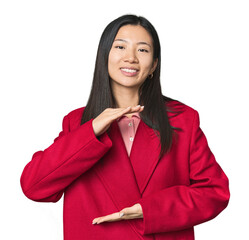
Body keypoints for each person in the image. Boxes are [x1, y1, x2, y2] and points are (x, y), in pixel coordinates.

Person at [20, 14, 230, 240]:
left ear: (154, 65)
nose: (130, 58)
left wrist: (149, 210)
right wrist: (91, 132)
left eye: (142, 50)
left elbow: (214, 192)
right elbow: (34, 186)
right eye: (120, 46)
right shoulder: (77, 122)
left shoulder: (183, 120)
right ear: (105, 57)